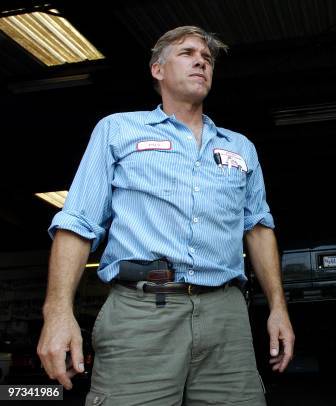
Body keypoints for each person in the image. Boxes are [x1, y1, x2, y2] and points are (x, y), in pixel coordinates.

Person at [37, 26, 294, 405]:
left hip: (226, 314)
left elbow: (257, 228)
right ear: (157, 70)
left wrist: (278, 309)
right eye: (187, 53)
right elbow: (77, 225)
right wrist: (57, 313)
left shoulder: (240, 148)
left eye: (207, 59)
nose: (201, 62)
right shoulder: (118, 130)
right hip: (145, 307)